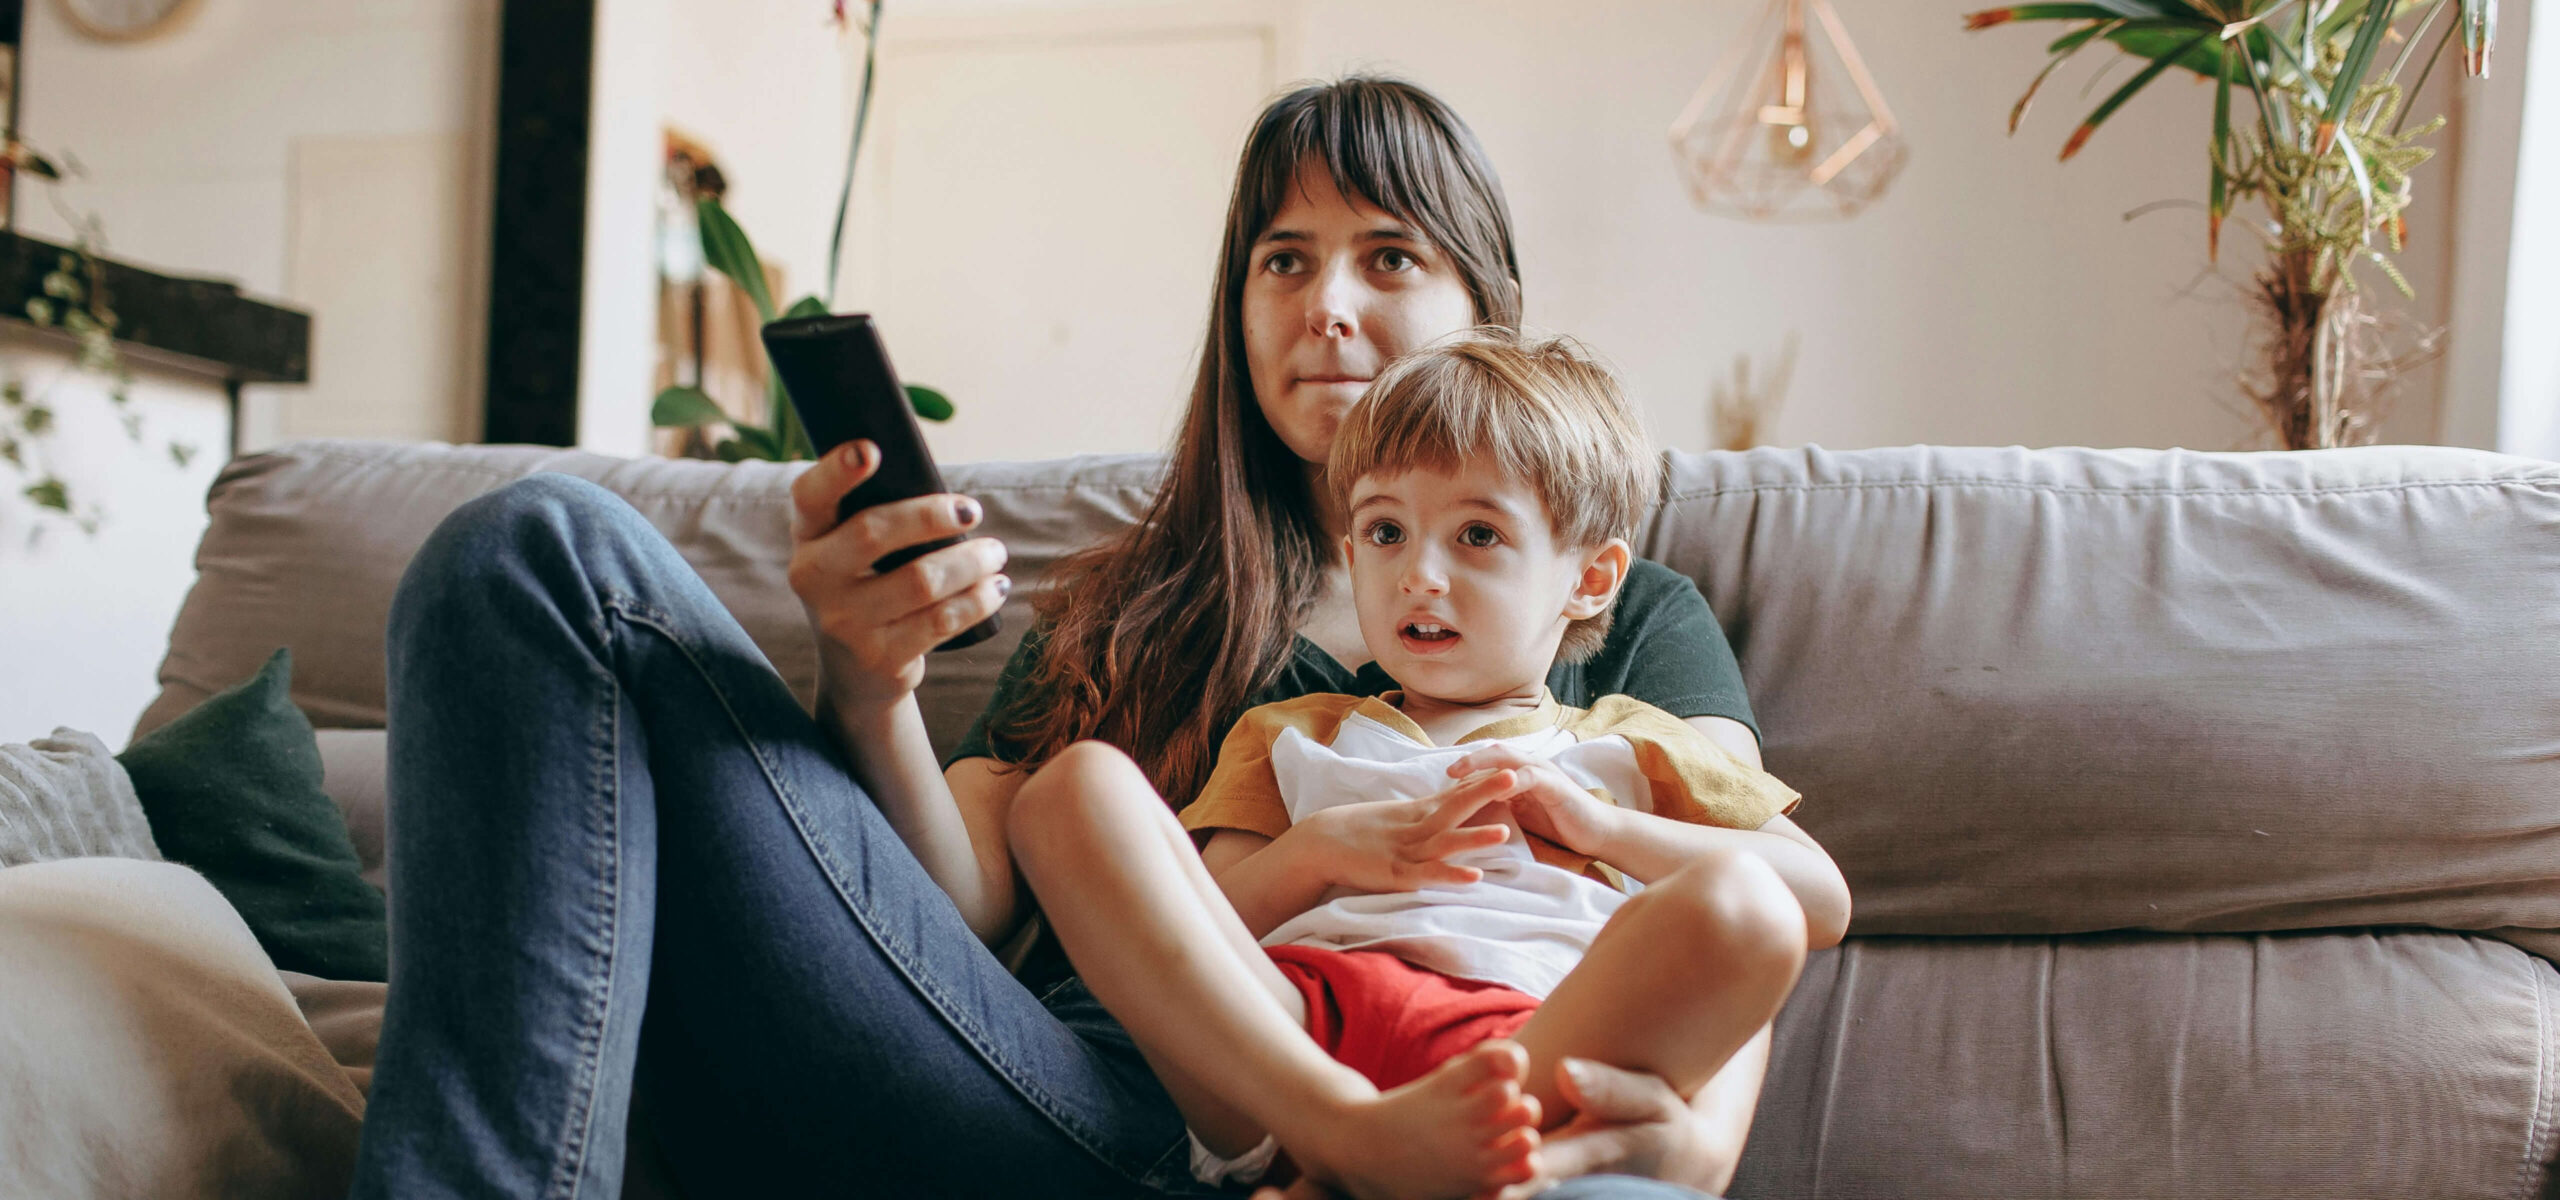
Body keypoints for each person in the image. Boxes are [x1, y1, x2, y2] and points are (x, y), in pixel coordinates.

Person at [353, 75, 1845, 1200]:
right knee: (536, 551)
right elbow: (964, 914)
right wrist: (869, 690)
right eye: (1282, 258)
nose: (1325, 305)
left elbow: (1733, 903)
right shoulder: (1139, 594)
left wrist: (1695, 1145)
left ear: (1486, 311)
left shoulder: (1619, 611)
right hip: (1070, 1086)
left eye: (1389, 258)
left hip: (1436, 1108)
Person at [1005, 330, 1840, 1200]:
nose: (1420, 575)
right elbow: (1201, 924)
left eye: (1477, 534)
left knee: (1751, 910)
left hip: (1521, 1056)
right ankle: (1350, 1136)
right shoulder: (1293, 732)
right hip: (1290, 1050)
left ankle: (1408, 1168)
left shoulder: (1634, 743)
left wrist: (1604, 827)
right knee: (1073, 790)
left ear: (1590, 581)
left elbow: (1817, 899)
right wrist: (1322, 851)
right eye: (1386, 531)